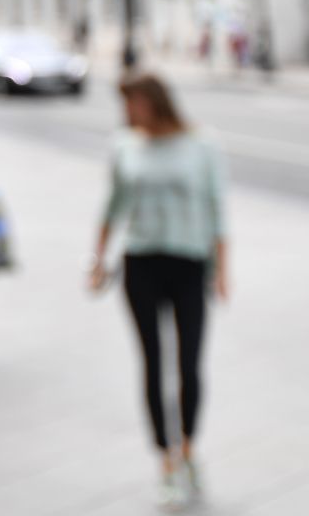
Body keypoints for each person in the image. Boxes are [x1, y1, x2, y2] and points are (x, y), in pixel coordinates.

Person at [89, 73, 227, 512]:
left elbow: (215, 207)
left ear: (156, 102)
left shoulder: (202, 144)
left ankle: (187, 449)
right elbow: (112, 204)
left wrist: (222, 268)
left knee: (188, 363)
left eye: (135, 103)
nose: (129, 113)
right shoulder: (125, 144)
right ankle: (165, 461)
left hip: (188, 263)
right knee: (152, 362)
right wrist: (97, 257)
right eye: (125, 105)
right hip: (141, 263)